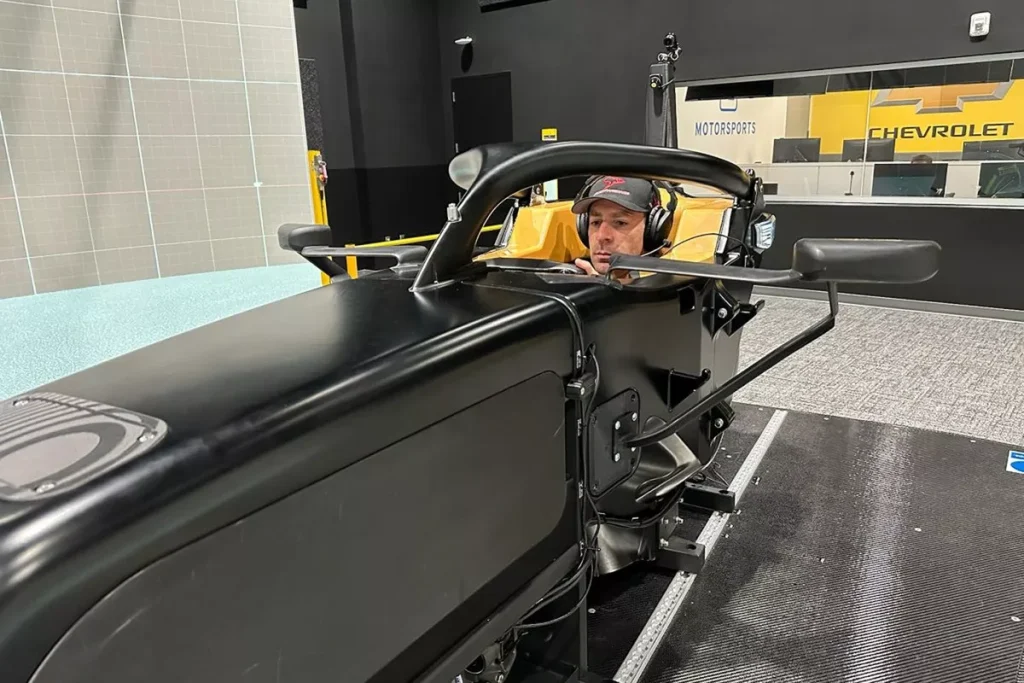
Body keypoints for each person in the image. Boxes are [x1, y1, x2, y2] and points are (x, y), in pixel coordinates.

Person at [570, 176, 673, 279]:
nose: (602, 236)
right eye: (596, 222)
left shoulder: (672, 283)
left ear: (652, 229)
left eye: (620, 223)